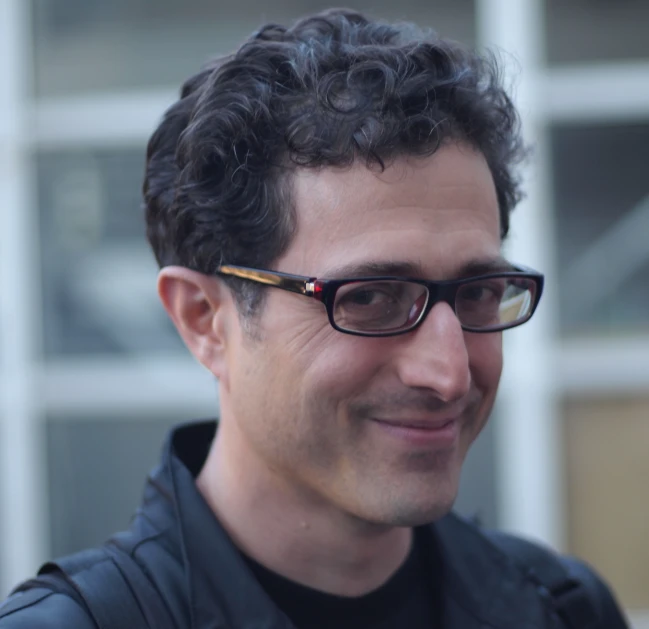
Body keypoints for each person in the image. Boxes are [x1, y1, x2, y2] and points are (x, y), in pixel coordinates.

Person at [0, 8, 628, 629]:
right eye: (369, 297)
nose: (450, 374)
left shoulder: (563, 610)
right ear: (204, 320)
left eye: (478, 293)